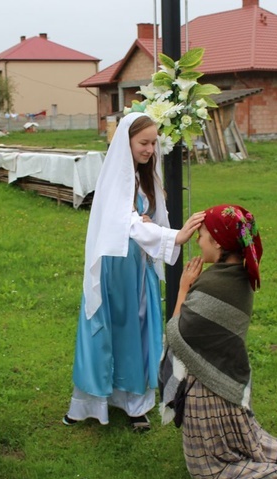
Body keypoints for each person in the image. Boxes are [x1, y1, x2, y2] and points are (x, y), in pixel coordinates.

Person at [159, 205, 277, 479]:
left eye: (203, 235)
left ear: (218, 242)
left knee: (206, 469)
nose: (198, 241)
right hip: (230, 390)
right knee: (253, 445)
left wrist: (183, 290)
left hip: (209, 395)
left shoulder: (211, 287)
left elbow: (176, 335)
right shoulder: (239, 276)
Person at [64, 112, 205, 432]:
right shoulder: (115, 178)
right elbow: (125, 223)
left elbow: (152, 219)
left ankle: (134, 404)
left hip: (136, 270)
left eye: (154, 142)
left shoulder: (145, 177)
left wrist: (157, 231)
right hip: (113, 269)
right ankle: (89, 404)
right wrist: (173, 237)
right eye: (144, 142)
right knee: (103, 333)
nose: (150, 149)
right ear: (126, 142)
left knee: (136, 334)